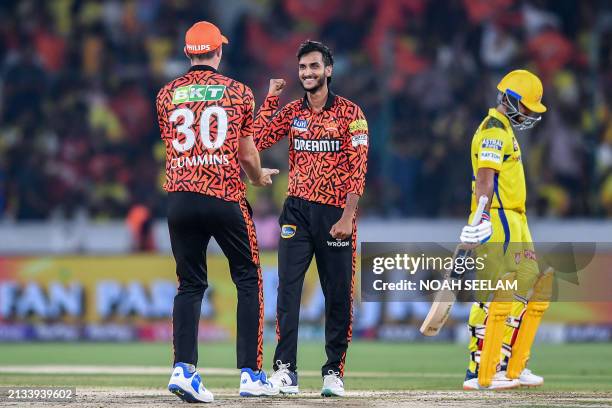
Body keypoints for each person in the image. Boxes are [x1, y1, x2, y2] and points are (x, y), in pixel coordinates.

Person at [156, 21, 279, 402]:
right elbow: (246, 153)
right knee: (248, 277)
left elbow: (176, 145)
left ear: (189, 52)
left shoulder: (166, 95)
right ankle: (250, 374)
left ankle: (184, 370)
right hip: (223, 194)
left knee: (190, 284)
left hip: (179, 197)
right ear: (218, 52)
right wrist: (257, 178)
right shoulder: (239, 92)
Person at [254, 40, 369, 397]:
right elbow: (255, 139)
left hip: (336, 214)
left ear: (328, 70)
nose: (307, 73)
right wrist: (270, 97)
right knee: (287, 290)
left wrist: (348, 216)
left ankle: (334, 371)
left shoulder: (352, 114)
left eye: (314, 67)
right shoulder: (292, 112)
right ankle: (285, 370)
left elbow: (358, 170)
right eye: (303, 68)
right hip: (297, 212)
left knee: (337, 294)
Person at [459, 69, 552, 390]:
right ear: (511, 101)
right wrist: (480, 218)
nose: (529, 114)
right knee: (493, 292)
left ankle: (511, 364)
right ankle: (479, 369)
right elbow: (485, 178)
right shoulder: (494, 130)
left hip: (516, 218)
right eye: (527, 107)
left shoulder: (505, 130)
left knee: (524, 287)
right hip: (498, 218)